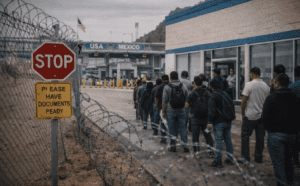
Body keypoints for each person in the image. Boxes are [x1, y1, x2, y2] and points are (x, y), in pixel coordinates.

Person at [262, 73, 300, 186]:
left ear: (277, 84)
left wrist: (269, 129)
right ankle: (290, 182)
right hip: (292, 135)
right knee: (289, 161)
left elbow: (265, 118)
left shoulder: (271, 98)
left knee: (278, 163)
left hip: (275, 134)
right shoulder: (296, 98)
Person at [238, 67, 270, 164]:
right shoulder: (266, 86)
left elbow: (243, 102)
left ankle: (245, 157)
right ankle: (258, 157)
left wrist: (243, 115)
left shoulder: (249, 85)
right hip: (261, 117)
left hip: (250, 116)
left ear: (252, 74)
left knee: (245, 137)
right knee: (260, 138)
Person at [207, 79, 235, 168]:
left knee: (218, 141)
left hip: (218, 122)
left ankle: (218, 161)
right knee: (228, 140)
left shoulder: (213, 96)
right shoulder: (225, 94)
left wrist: (209, 122)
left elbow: (211, 111)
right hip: (228, 120)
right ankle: (230, 158)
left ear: (211, 86)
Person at [186, 76, 214, 159]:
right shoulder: (207, 92)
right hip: (205, 118)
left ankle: (197, 152)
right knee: (208, 135)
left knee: (195, 135)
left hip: (195, 118)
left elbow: (187, 105)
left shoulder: (191, 93)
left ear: (194, 83)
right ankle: (211, 152)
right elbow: (211, 104)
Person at [162, 71, 189, 153]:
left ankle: (173, 146)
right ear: (178, 77)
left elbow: (164, 101)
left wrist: (163, 111)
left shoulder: (167, 87)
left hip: (170, 111)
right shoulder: (183, 86)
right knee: (183, 128)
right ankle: (185, 146)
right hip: (181, 110)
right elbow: (187, 98)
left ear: (170, 78)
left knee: (172, 129)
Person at [289, 66, 300, 166]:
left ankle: (296, 160)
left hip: (295, 117)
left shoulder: (292, 87)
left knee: (295, 139)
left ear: (295, 74)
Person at [155, 75, 169, 144]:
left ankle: (163, 138)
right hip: (171, 107)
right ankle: (173, 140)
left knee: (163, 123)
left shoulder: (159, 87)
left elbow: (157, 98)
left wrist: (157, 107)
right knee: (171, 123)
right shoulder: (171, 86)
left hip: (161, 107)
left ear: (162, 79)